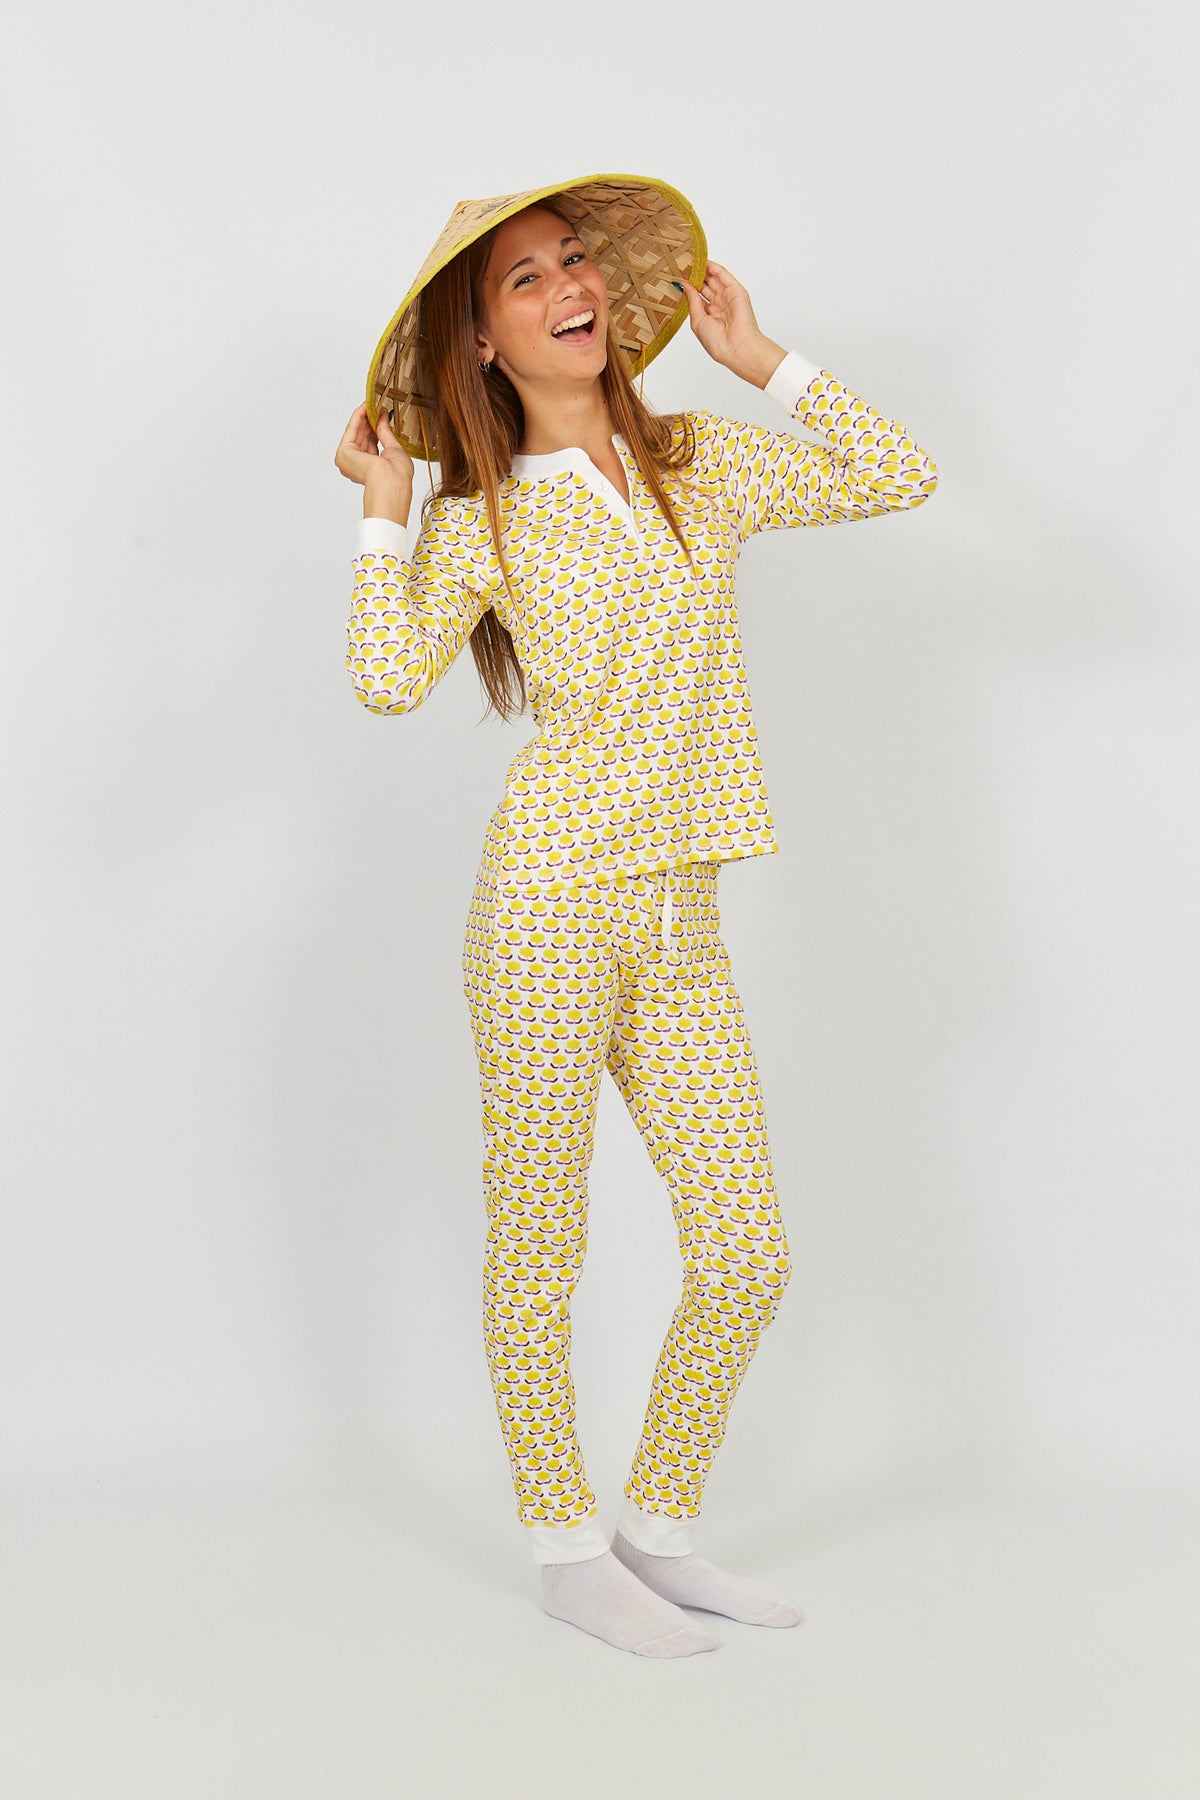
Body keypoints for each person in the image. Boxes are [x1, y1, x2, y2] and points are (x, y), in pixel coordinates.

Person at [333, 172, 938, 1659]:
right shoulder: (484, 518)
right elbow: (387, 679)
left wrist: (760, 358)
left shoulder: (699, 463)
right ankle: (563, 1549)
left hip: (681, 917)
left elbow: (899, 472)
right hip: (547, 904)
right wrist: (385, 511)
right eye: (524, 280)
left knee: (746, 1248)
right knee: (540, 1240)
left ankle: (657, 1533)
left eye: (572, 261)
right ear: (483, 343)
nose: (568, 289)